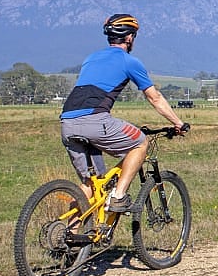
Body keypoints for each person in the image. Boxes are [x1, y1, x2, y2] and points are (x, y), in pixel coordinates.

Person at [60, 13, 186, 213]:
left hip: (67, 122)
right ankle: (118, 197)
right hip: (95, 120)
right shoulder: (130, 62)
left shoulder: (90, 59)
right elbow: (154, 97)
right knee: (141, 142)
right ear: (129, 38)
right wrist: (178, 122)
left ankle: (68, 234)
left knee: (91, 184)